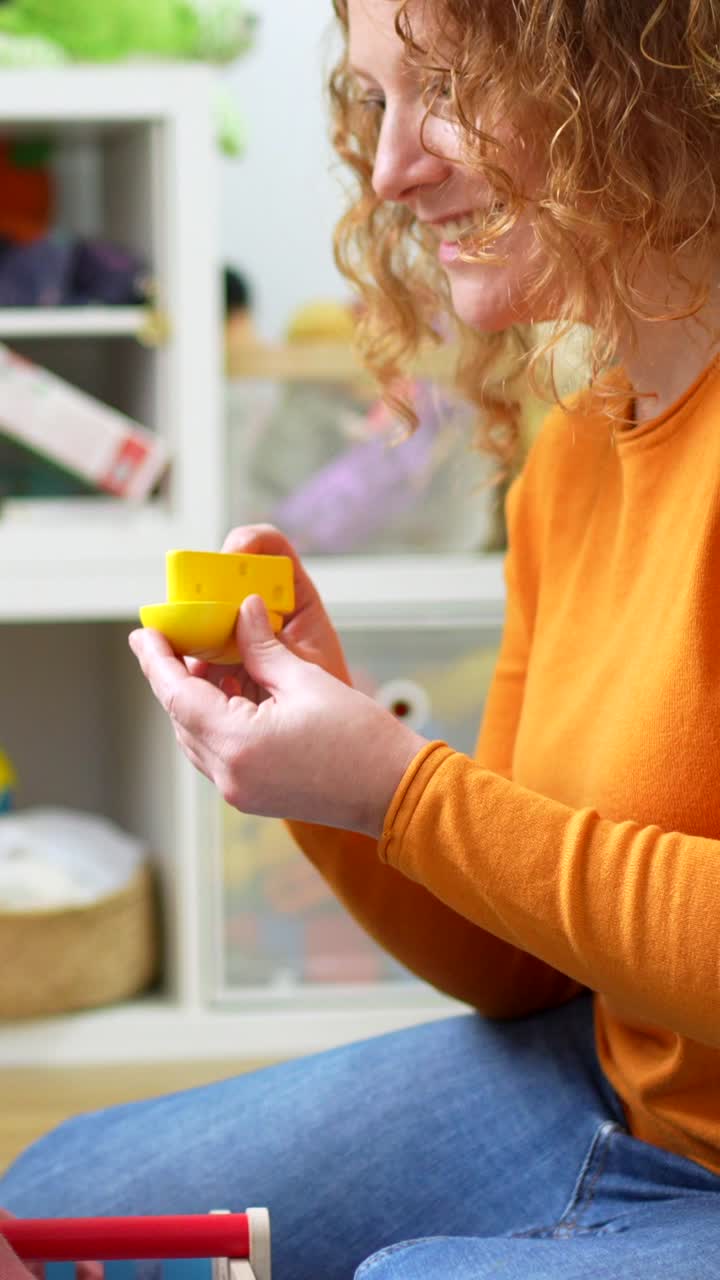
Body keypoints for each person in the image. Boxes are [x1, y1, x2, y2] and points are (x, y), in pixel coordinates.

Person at [4, 0, 720, 1275]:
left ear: (636, 77)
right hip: (617, 1081)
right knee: (60, 1208)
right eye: (374, 100)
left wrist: (400, 788)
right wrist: (334, 764)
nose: (391, 169)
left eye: (444, 85)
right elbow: (520, 966)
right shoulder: (571, 464)